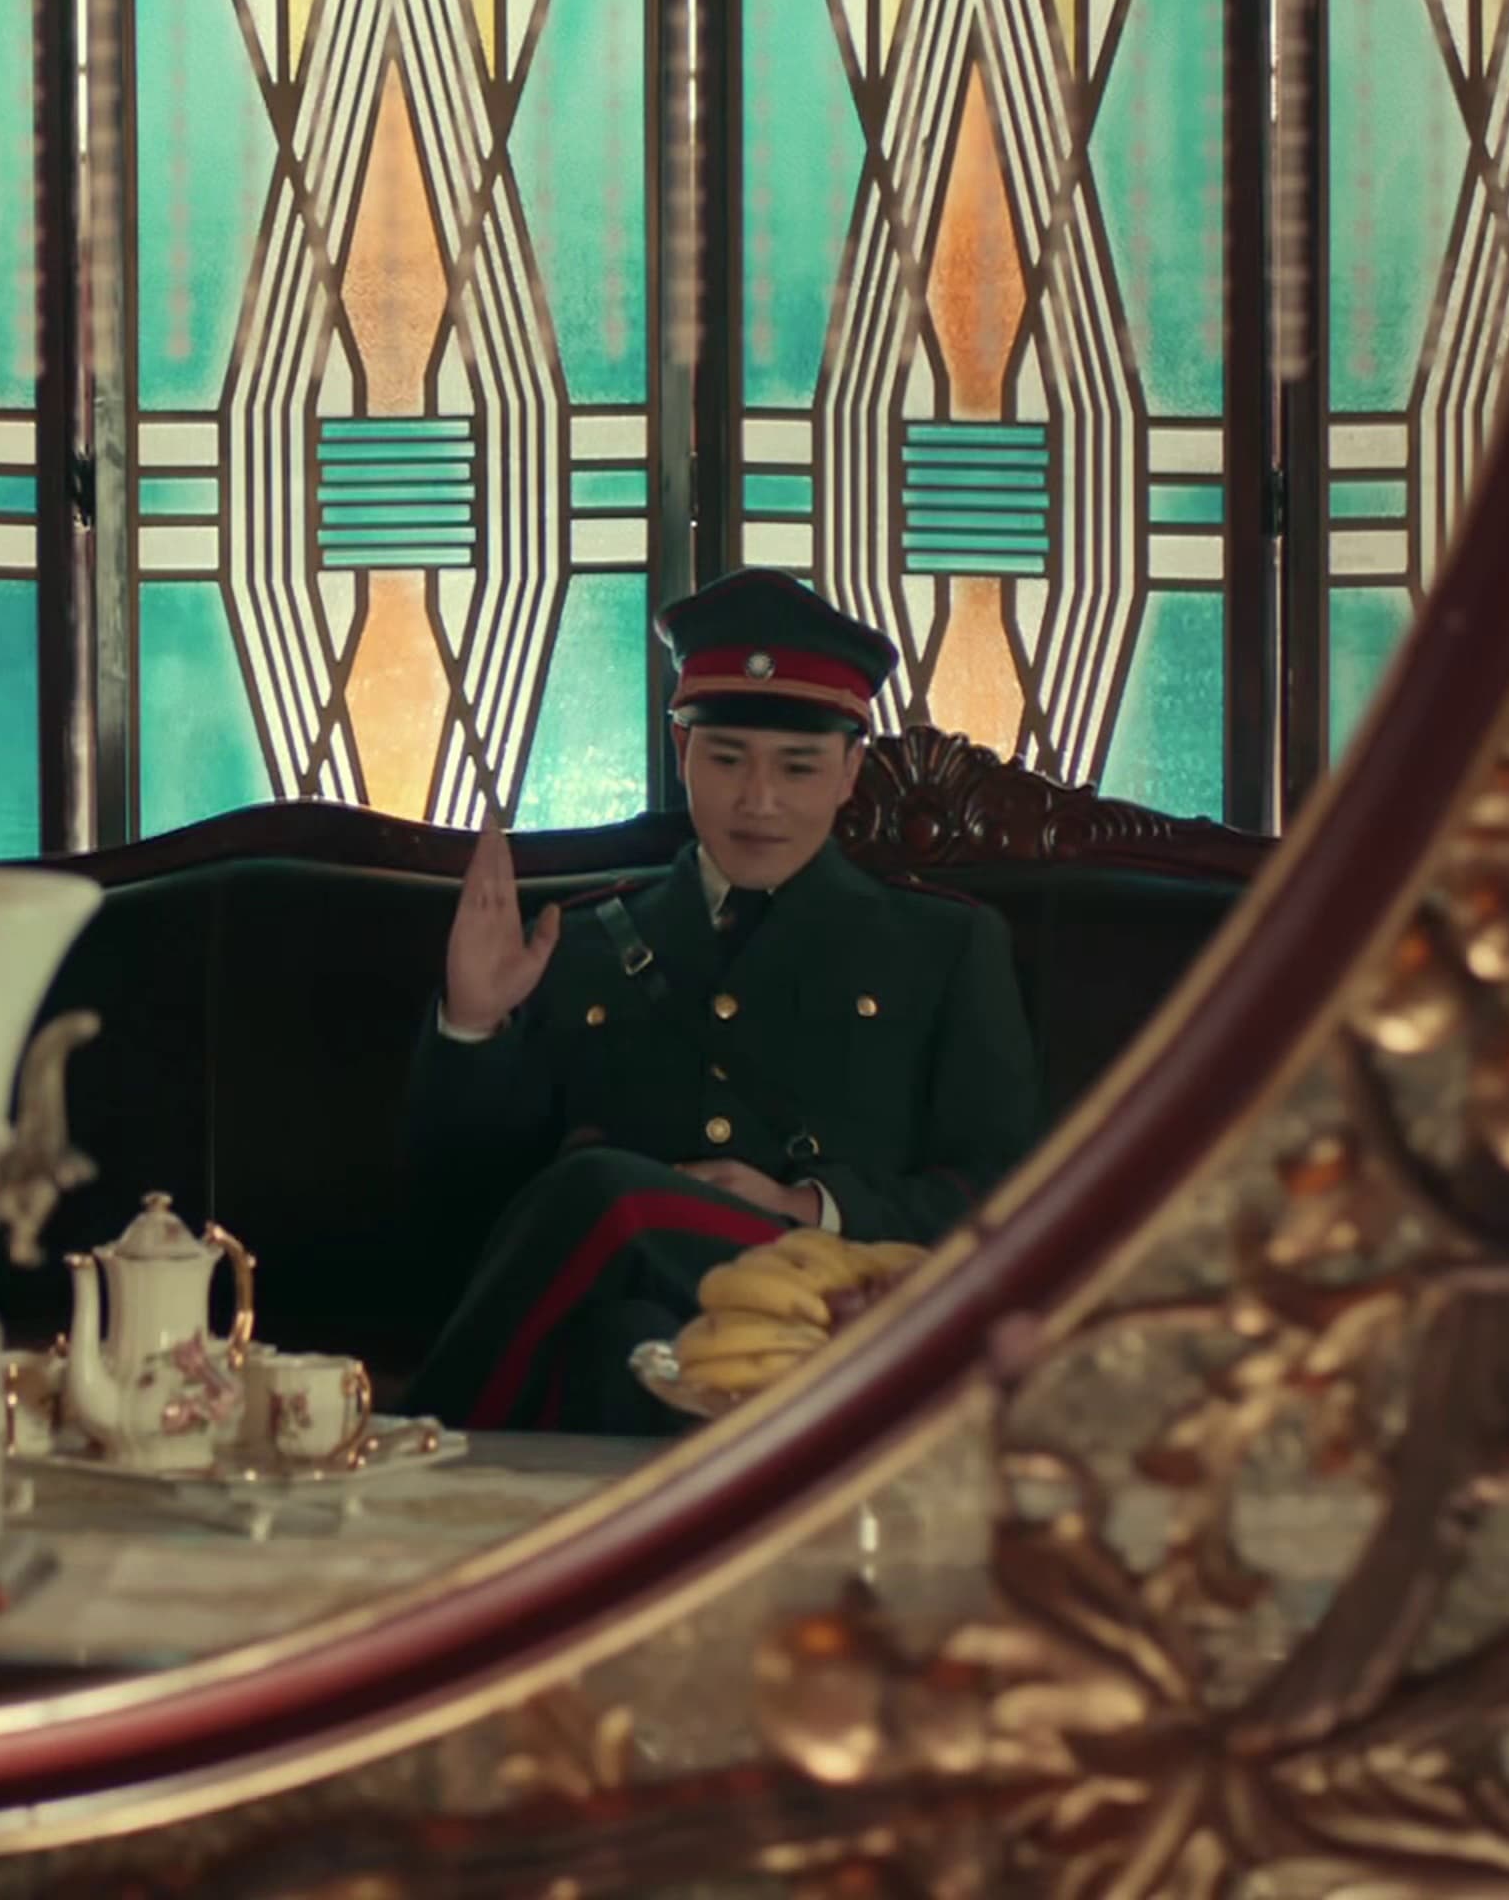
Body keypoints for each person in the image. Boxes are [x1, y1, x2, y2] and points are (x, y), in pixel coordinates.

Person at [397, 569, 1044, 1434]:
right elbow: (471, 1214)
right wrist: (476, 1024)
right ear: (682, 753)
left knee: (609, 1196)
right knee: (621, 1343)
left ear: (850, 771)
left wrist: (805, 1207)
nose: (758, 801)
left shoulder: (945, 945)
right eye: (728, 759)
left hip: (840, 1308)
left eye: (798, 767)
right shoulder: (577, 940)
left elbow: (1001, 1197)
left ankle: (417, 1444)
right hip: (659, 1334)